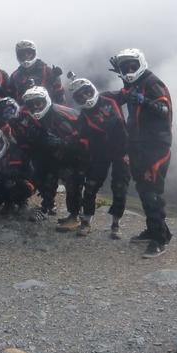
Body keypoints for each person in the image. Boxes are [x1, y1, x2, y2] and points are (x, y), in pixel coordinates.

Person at [107, 48, 173, 258]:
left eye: (132, 66)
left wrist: (145, 102)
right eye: (124, 66)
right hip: (137, 145)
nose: (129, 69)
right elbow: (122, 96)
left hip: (155, 147)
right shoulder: (135, 84)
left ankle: (160, 240)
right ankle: (154, 230)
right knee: (143, 190)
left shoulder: (152, 83)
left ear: (141, 63)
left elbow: (164, 110)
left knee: (152, 193)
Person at [67, 77, 130, 239]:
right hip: (100, 154)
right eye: (80, 97)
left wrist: (127, 80)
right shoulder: (83, 117)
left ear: (92, 88)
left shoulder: (110, 97)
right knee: (90, 187)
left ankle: (116, 225)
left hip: (123, 151)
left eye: (87, 92)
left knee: (120, 187)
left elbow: (129, 93)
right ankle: (86, 222)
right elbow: (78, 138)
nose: (86, 97)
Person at [20, 86, 87, 230]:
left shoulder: (62, 114)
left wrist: (63, 142)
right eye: (31, 104)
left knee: (72, 182)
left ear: (46, 101)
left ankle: (75, 217)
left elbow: (83, 134)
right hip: (51, 154)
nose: (35, 107)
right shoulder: (30, 118)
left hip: (72, 156)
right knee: (42, 175)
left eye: (38, 103)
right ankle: (47, 206)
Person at [0, 127, 34, 216]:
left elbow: (21, 171)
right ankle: (8, 203)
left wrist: (3, 172)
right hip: (6, 180)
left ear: (1, 140)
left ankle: (22, 203)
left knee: (12, 183)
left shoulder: (15, 151)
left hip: (24, 181)